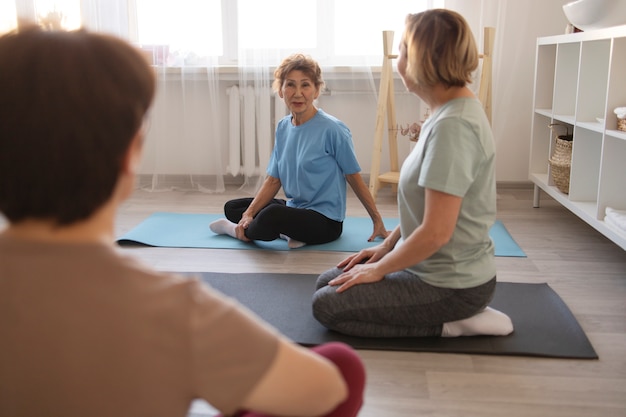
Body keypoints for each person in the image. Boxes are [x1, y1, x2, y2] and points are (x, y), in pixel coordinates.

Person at [0, 27, 365, 417]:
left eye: (305, 85)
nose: (297, 91)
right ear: (130, 157)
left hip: (317, 218)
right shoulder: (178, 312)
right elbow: (329, 388)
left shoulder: (328, 128)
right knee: (345, 365)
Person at [312, 9, 514, 339]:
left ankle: (454, 323)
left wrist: (379, 270)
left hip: (453, 285)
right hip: (430, 268)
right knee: (328, 283)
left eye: (404, 50)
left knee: (326, 306)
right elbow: (421, 211)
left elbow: (435, 232)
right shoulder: (443, 112)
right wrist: (384, 250)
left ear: (423, 59)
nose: (398, 59)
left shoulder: (454, 127)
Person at [210, 53, 389, 249]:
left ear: (316, 90)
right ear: (280, 90)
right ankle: (287, 233)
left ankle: (232, 230)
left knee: (270, 216)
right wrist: (249, 214)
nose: (297, 93)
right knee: (234, 208)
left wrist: (377, 220)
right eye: (290, 85)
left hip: (325, 221)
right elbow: (273, 180)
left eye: (305, 85)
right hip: (295, 208)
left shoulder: (333, 129)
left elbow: (353, 177)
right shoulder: (283, 127)